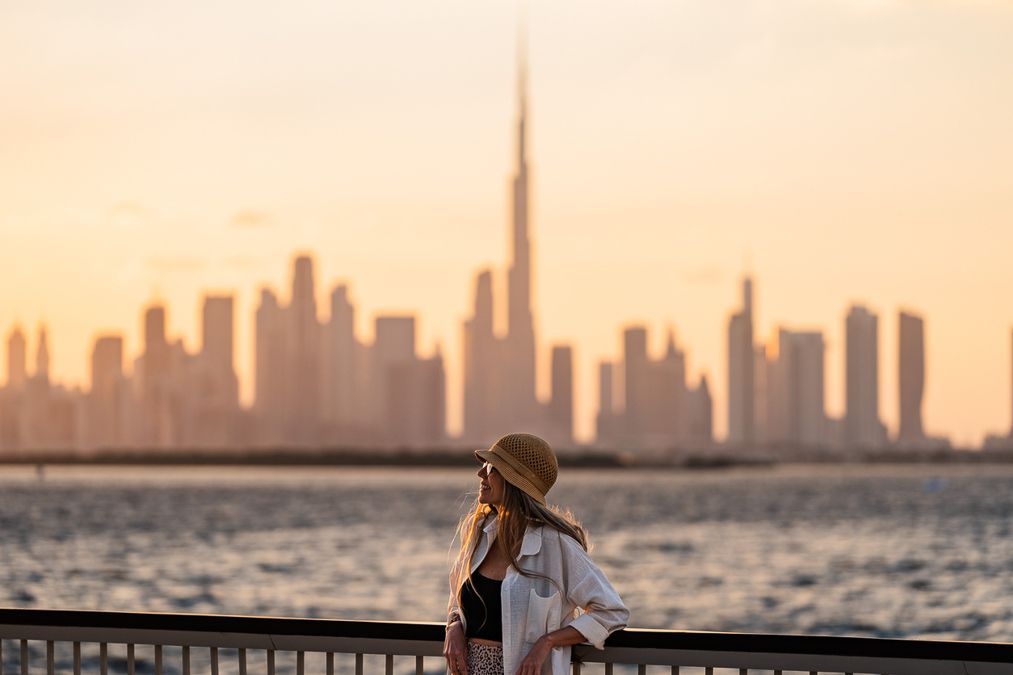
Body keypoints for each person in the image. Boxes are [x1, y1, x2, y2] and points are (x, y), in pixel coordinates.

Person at [444, 433, 629, 675]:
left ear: (514, 481)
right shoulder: (477, 533)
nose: (481, 474)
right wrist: (454, 625)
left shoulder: (556, 544)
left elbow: (612, 611)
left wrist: (548, 642)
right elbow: (457, 600)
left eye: (490, 467)